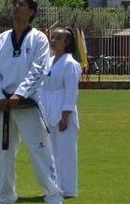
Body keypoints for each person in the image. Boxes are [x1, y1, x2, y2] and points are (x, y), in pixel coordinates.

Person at [0, 0, 62, 204]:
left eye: (21, 5)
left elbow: (38, 70)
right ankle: (6, 195)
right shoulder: (1, 40)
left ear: (31, 12)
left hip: (28, 104)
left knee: (40, 150)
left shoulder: (38, 38)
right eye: (14, 4)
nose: (16, 7)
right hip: (3, 106)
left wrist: (19, 95)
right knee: (5, 153)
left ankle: (53, 194)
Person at [39, 27, 82, 199]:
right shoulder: (48, 61)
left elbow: (71, 92)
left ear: (67, 42)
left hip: (63, 111)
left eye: (58, 38)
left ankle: (68, 189)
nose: (54, 40)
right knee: (50, 153)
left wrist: (65, 116)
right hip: (48, 110)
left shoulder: (70, 64)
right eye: (53, 37)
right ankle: (53, 187)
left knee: (65, 153)